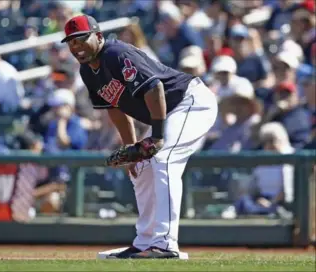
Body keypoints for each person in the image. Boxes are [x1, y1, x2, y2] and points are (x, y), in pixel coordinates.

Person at [61, 14, 218, 259]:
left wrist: (155, 138)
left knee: (162, 158)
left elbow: (154, 88)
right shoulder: (87, 71)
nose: (76, 46)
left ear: (99, 36)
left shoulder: (116, 54)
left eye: (81, 39)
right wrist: (131, 150)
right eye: (71, 42)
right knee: (141, 168)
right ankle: (145, 242)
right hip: (170, 111)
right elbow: (115, 108)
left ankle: (165, 244)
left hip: (190, 101)